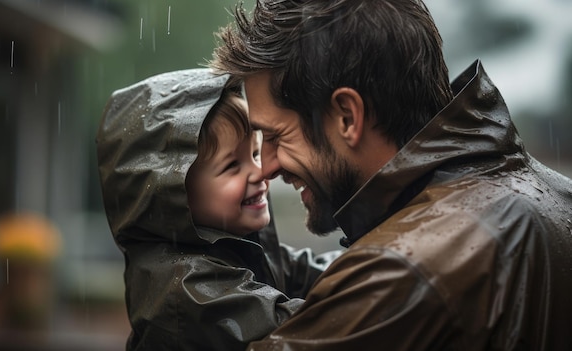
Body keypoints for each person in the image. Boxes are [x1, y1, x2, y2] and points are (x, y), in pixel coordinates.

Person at [210, 0, 572, 350]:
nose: (266, 167)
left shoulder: (396, 274)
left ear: (347, 117)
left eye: (275, 137)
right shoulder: (556, 194)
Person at [96, 68, 337, 351]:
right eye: (232, 165)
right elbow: (305, 332)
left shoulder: (237, 247)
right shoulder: (186, 289)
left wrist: (384, 258)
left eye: (255, 154)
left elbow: (322, 273)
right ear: (175, 191)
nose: (261, 172)